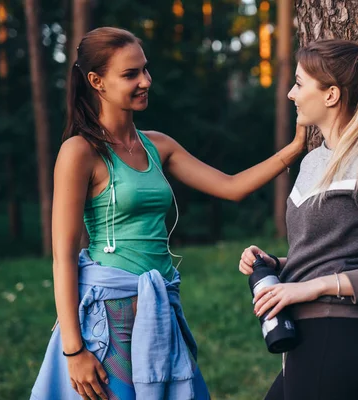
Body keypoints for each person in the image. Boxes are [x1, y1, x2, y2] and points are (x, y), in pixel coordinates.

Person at [30, 27, 305, 400]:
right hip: (108, 320)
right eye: (130, 75)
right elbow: (63, 259)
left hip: (161, 308)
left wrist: (297, 146)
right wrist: (74, 350)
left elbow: (232, 186)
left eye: (145, 70)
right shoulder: (80, 151)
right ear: (97, 81)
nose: (145, 81)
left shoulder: (158, 145)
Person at [238, 39, 358, 400]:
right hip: (303, 335)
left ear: (331, 95)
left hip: (336, 334)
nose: (291, 94)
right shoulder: (312, 161)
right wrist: (276, 264)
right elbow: (331, 251)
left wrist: (310, 287)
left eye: (299, 83)